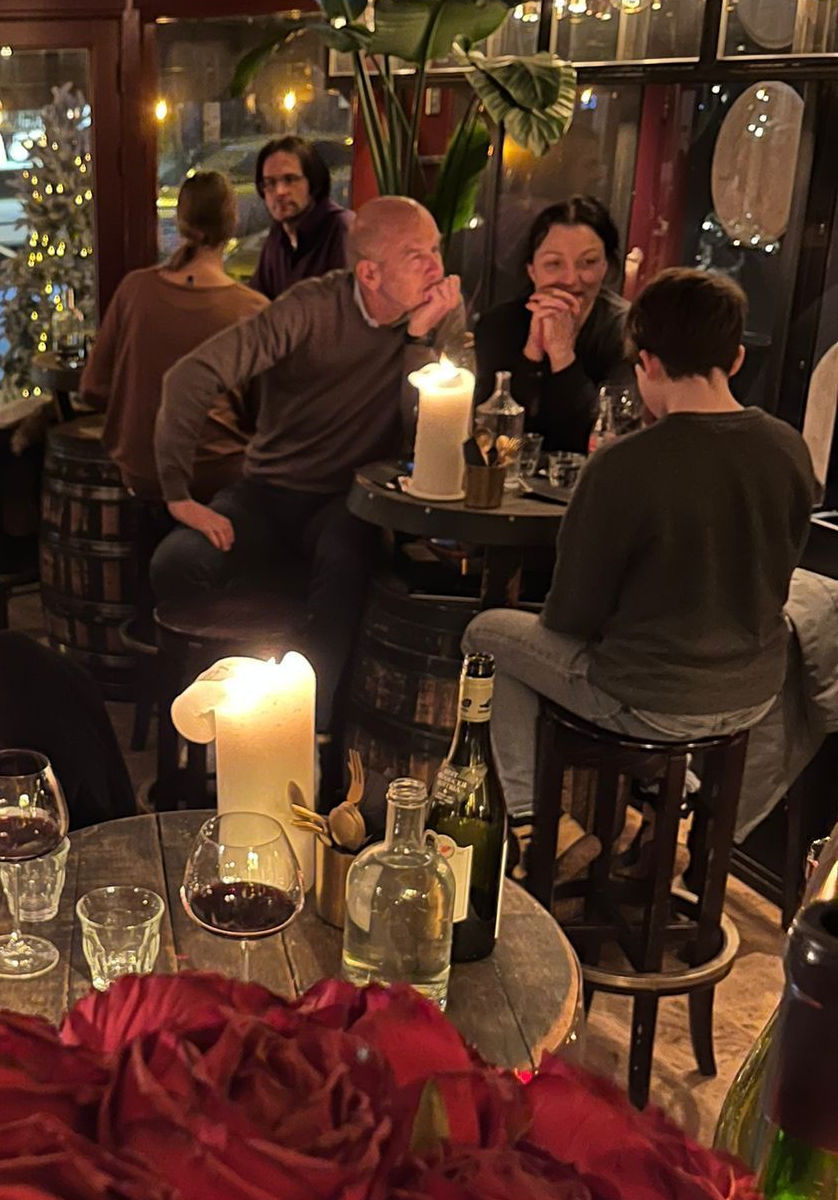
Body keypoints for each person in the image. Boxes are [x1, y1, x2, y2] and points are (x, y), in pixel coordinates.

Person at [466, 267, 818, 830]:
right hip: (755, 690)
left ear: (647, 362)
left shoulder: (624, 462)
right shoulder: (788, 447)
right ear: (735, 360)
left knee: (487, 635)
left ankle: (538, 827)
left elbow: (570, 616)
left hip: (650, 697)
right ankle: (672, 804)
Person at [150, 196, 464, 726]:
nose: (437, 267)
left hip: (353, 498)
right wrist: (178, 495)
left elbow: (428, 436)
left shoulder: (442, 314)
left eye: (436, 249)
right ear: (369, 273)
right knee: (176, 561)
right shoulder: (311, 308)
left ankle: (305, 729)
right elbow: (189, 377)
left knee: (346, 560)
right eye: (417, 256)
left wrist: (420, 339)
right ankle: (216, 721)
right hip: (267, 491)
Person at [80, 171, 265, 503]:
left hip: (142, 472)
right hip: (217, 475)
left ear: (180, 222)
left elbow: (93, 388)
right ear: (233, 223)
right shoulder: (251, 309)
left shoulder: (134, 289)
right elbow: (270, 413)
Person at [473, 197, 632, 454]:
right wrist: (532, 353)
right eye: (554, 264)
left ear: (606, 266)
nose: (570, 279)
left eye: (588, 262)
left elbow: (603, 441)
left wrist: (562, 355)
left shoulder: (627, 330)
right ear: (532, 270)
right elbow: (490, 439)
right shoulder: (497, 325)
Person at [252, 137, 353, 300]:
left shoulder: (341, 228)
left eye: (290, 179)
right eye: (270, 183)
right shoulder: (278, 235)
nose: (279, 191)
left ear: (313, 182)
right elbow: (258, 300)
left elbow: (346, 306)